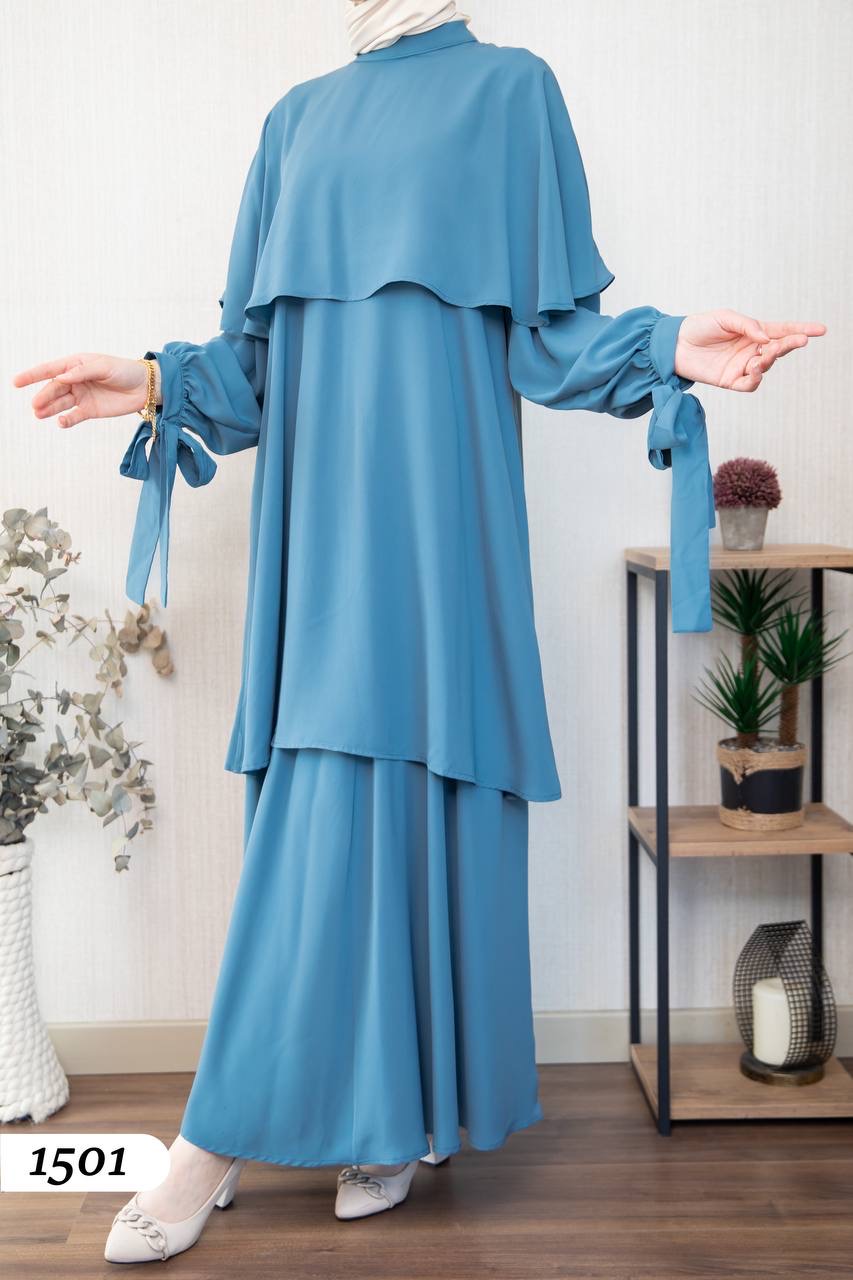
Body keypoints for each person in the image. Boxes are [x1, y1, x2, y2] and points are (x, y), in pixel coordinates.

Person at [12, 0, 825, 1266]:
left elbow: (549, 339)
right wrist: (155, 378)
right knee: (321, 809)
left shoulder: (512, 91)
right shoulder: (293, 123)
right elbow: (255, 368)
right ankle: (242, 1130)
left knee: (414, 805)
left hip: (444, 533)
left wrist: (673, 345)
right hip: (322, 535)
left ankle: (374, 1124)